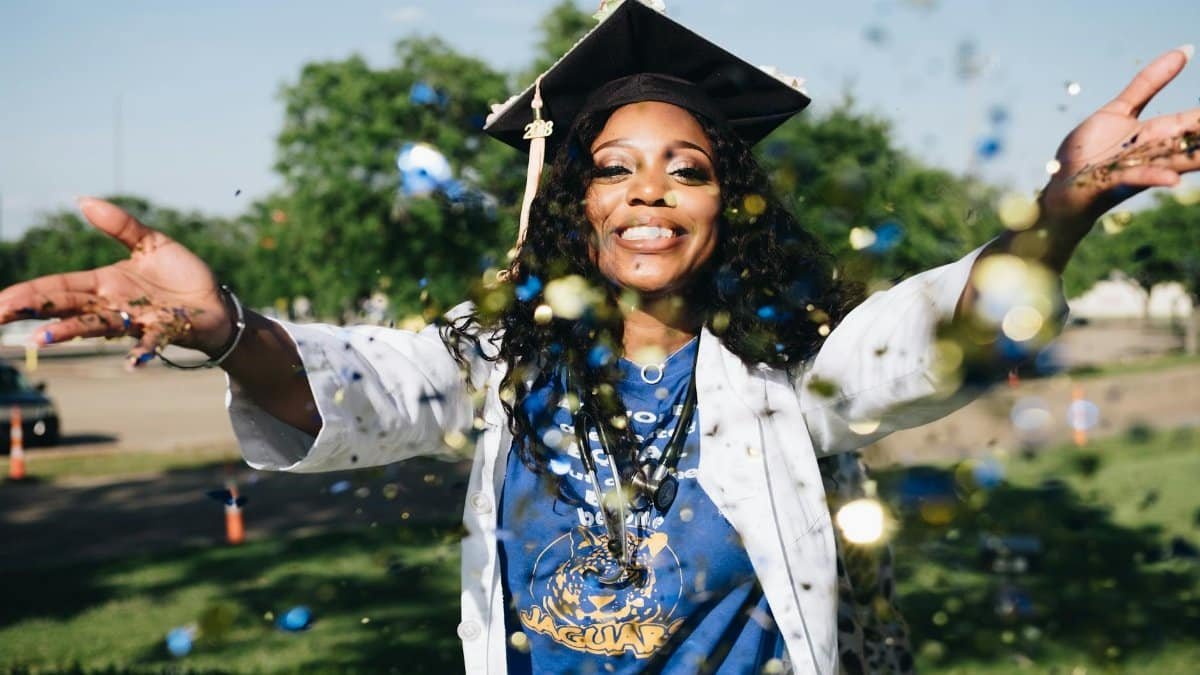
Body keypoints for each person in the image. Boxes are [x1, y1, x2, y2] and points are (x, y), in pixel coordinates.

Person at [1, 1, 1197, 672]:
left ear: (729, 201)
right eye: (613, 168)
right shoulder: (501, 362)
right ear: (574, 202)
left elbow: (937, 331)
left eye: (687, 169)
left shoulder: (794, 371)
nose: (648, 192)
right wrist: (227, 333)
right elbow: (361, 388)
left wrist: (1065, 209)